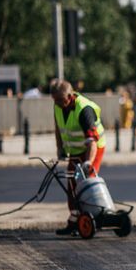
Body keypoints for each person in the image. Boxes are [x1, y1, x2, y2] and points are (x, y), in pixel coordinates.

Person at [51, 80, 106, 235]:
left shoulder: (84, 110)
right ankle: (75, 219)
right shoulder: (57, 105)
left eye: (60, 100)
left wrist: (88, 162)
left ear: (70, 96)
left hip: (93, 148)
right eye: (55, 100)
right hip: (75, 150)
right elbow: (58, 128)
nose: (58, 104)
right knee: (72, 184)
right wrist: (60, 148)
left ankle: (90, 217)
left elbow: (92, 141)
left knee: (85, 180)